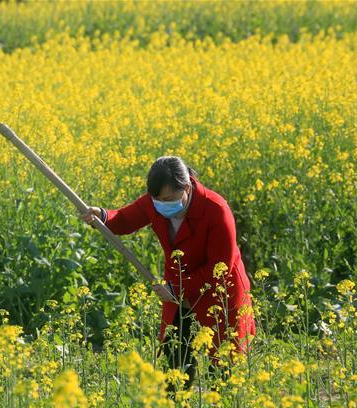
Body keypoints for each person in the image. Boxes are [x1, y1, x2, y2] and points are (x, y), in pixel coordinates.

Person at [79, 156, 256, 387]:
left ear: (187, 188)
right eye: (157, 200)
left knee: (223, 371)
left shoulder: (216, 210)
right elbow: (123, 220)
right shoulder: (156, 204)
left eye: (169, 199)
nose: (162, 205)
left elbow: (219, 267)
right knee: (176, 367)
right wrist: (101, 216)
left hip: (219, 292)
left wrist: (177, 288)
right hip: (178, 295)